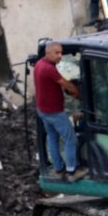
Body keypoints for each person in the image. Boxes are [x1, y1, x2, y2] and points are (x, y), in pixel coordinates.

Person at [34, 41, 89, 182]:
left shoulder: (39, 64)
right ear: (48, 53)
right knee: (71, 139)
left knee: (52, 137)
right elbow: (65, 84)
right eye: (56, 53)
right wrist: (78, 94)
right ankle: (72, 172)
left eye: (61, 53)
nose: (60, 56)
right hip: (54, 112)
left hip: (43, 110)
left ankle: (59, 169)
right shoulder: (49, 69)